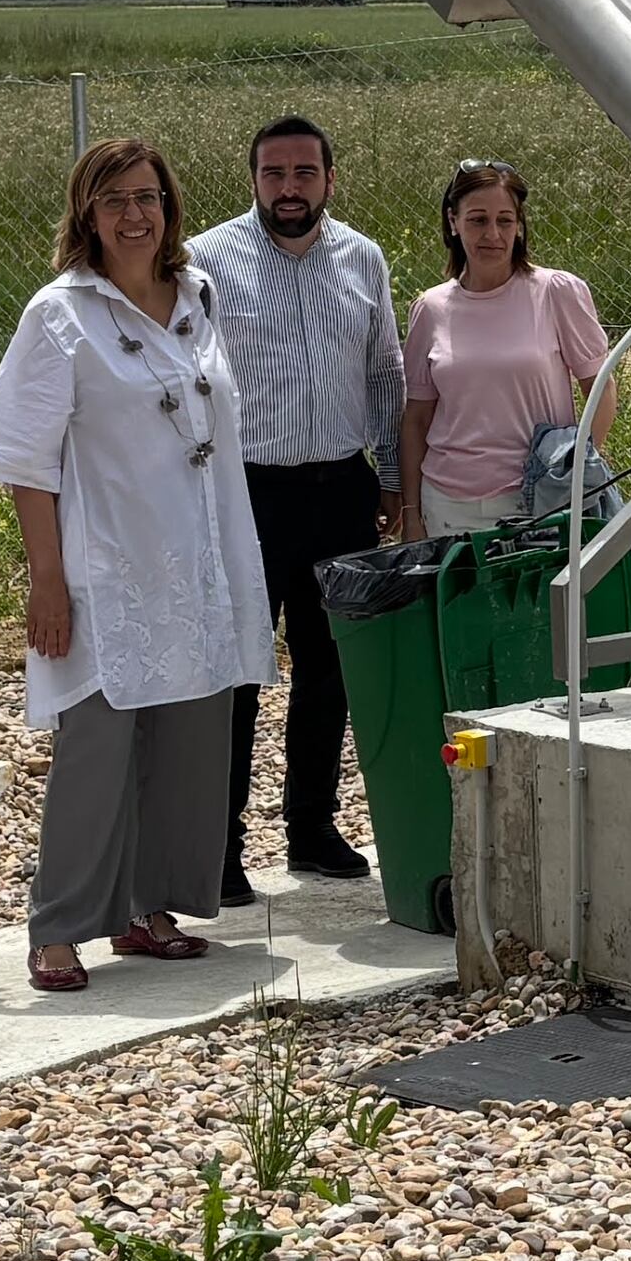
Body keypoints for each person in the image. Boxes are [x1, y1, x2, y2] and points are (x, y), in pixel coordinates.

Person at [0, 136, 276, 989]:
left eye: (147, 197)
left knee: (188, 742)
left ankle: (151, 908)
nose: (134, 215)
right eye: (115, 201)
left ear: (170, 206)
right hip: (108, 565)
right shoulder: (61, 313)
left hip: (202, 557)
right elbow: (25, 458)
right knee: (97, 747)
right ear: (88, 215)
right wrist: (46, 578)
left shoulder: (200, 296)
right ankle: (60, 924)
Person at [189, 115, 409, 903]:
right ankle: (218, 845)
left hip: (341, 488)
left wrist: (390, 478)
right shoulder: (209, 261)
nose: (290, 188)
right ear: (253, 179)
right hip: (248, 492)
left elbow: (386, 373)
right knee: (242, 667)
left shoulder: (363, 257)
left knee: (331, 667)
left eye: (304, 172)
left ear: (329, 179)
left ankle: (311, 829)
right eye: (275, 173)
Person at [396, 159, 610, 537]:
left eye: (505, 220)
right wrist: (412, 514)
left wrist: (575, 476)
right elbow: (416, 420)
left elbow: (601, 389)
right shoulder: (430, 309)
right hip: (447, 506)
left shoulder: (557, 292)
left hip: (539, 503)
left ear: (519, 225)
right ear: (453, 221)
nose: (492, 234)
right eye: (478, 220)